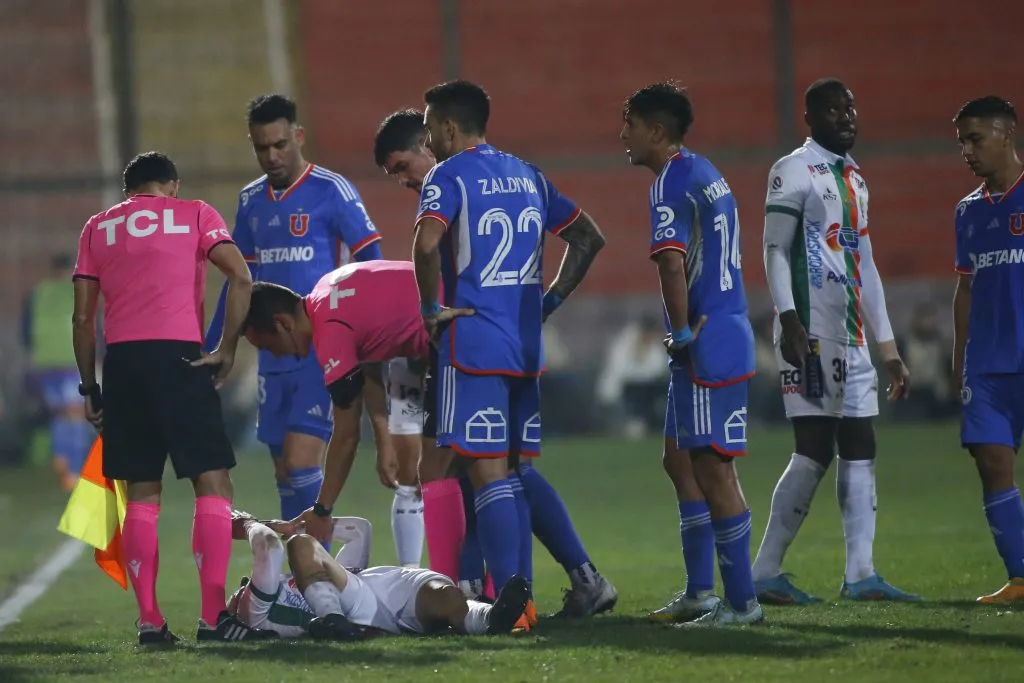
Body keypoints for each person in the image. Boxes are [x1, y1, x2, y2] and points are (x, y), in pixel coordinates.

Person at [373, 108, 617, 618]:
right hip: (520, 347)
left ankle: (490, 596)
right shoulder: (525, 174)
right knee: (503, 470)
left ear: (434, 135)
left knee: (470, 470)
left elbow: (427, 249)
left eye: (402, 166)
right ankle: (566, 581)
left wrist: (429, 313)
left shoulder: (449, 178)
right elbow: (588, 236)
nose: (403, 181)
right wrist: (546, 304)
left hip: (471, 345)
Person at [71, 151, 269, 644]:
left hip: (123, 365)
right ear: (172, 187)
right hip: (180, 358)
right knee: (213, 485)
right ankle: (211, 618)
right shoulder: (197, 213)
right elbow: (241, 276)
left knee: (141, 495)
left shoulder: (97, 227)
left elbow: (81, 319)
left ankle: (149, 622)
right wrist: (226, 349)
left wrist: (90, 388)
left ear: (128, 192)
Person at [753, 78, 918, 604]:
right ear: (810, 118)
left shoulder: (855, 180)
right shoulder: (793, 169)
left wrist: (888, 348)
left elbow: (864, 265)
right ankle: (763, 571)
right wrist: (790, 319)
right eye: (832, 109)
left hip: (853, 337)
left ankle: (861, 573)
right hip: (812, 333)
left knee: (861, 442)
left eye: (851, 107)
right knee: (815, 447)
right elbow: (775, 250)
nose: (846, 116)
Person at [203, 94, 390, 552]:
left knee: (300, 459)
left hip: (320, 349)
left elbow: (372, 260)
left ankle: (321, 572)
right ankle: (305, 576)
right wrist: (215, 345)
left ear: (298, 137)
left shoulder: (332, 190)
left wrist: (366, 330)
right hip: (273, 355)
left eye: (280, 144)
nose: (272, 156)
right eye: (262, 147)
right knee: (283, 469)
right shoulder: (251, 201)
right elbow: (237, 279)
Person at [620, 81, 762, 626]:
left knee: (712, 470)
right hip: (724, 327)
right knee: (679, 461)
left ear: (656, 131)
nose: (623, 135)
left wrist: (680, 333)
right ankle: (701, 592)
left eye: (630, 124)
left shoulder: (670, 183)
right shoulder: (706, 171)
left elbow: (672, 262)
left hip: (705, 341)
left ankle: (742, 603)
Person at [240, 262, 471, 546]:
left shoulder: (330, 333)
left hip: (460, 338)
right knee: (479, 471)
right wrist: (384, 438)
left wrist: (322, 509)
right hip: (467, 315)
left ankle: (458, 580)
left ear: (282, 324)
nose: (274, 355)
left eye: (267, 346)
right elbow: (371, 364)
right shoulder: (326, 289)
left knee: (443, 473)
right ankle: (477, 578)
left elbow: (347, 434)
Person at [227, 511, 530, 637]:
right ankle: (335, 622)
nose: (236, 594)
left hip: (383, 587)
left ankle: (493, 619)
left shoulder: (306, 576)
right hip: (356, 607)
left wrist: (301, 523)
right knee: (301, 546)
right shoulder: (255, 609)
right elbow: (269, 550)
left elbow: (359, 531)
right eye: (231, 602)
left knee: (447, 595)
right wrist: (251, 525)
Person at [952, 95, 1024, 603]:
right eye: (962, 143)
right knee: (992, 462)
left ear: (1007, 133)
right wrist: (960, 363)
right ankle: (1021, 577)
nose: (967, 151)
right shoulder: (968, 212)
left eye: (975, 139)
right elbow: (966, 288)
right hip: (989, 365)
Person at [24, 252, 94, 491]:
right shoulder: (77, 291)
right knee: (76, 412)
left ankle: (61, 459)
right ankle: (73, 468)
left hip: (45, 363)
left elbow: (27, 327)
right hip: (71, 361)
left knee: (59, 413)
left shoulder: (39, 292)